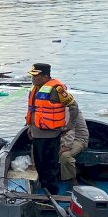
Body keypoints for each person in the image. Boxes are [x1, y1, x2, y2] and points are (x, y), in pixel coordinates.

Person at [26, 63, 78, 195]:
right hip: (37, 134)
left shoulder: (57, 90)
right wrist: (29, 127)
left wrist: (70, 125)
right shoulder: (35, 89)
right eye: (32, 76)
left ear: (45, 76)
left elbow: (73, 106)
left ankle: (52, 194)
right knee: (39, 165)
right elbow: (34, 111)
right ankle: (45, 190)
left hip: (50, 135)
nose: (33, 79)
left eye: (36, 76)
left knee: (50, 167)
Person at [60, 109, 89, 186]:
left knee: (65, 155)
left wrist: (65, 146)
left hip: (79, 139)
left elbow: (69, 130)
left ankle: (73, 180)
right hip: (64, 136)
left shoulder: (68, 109)